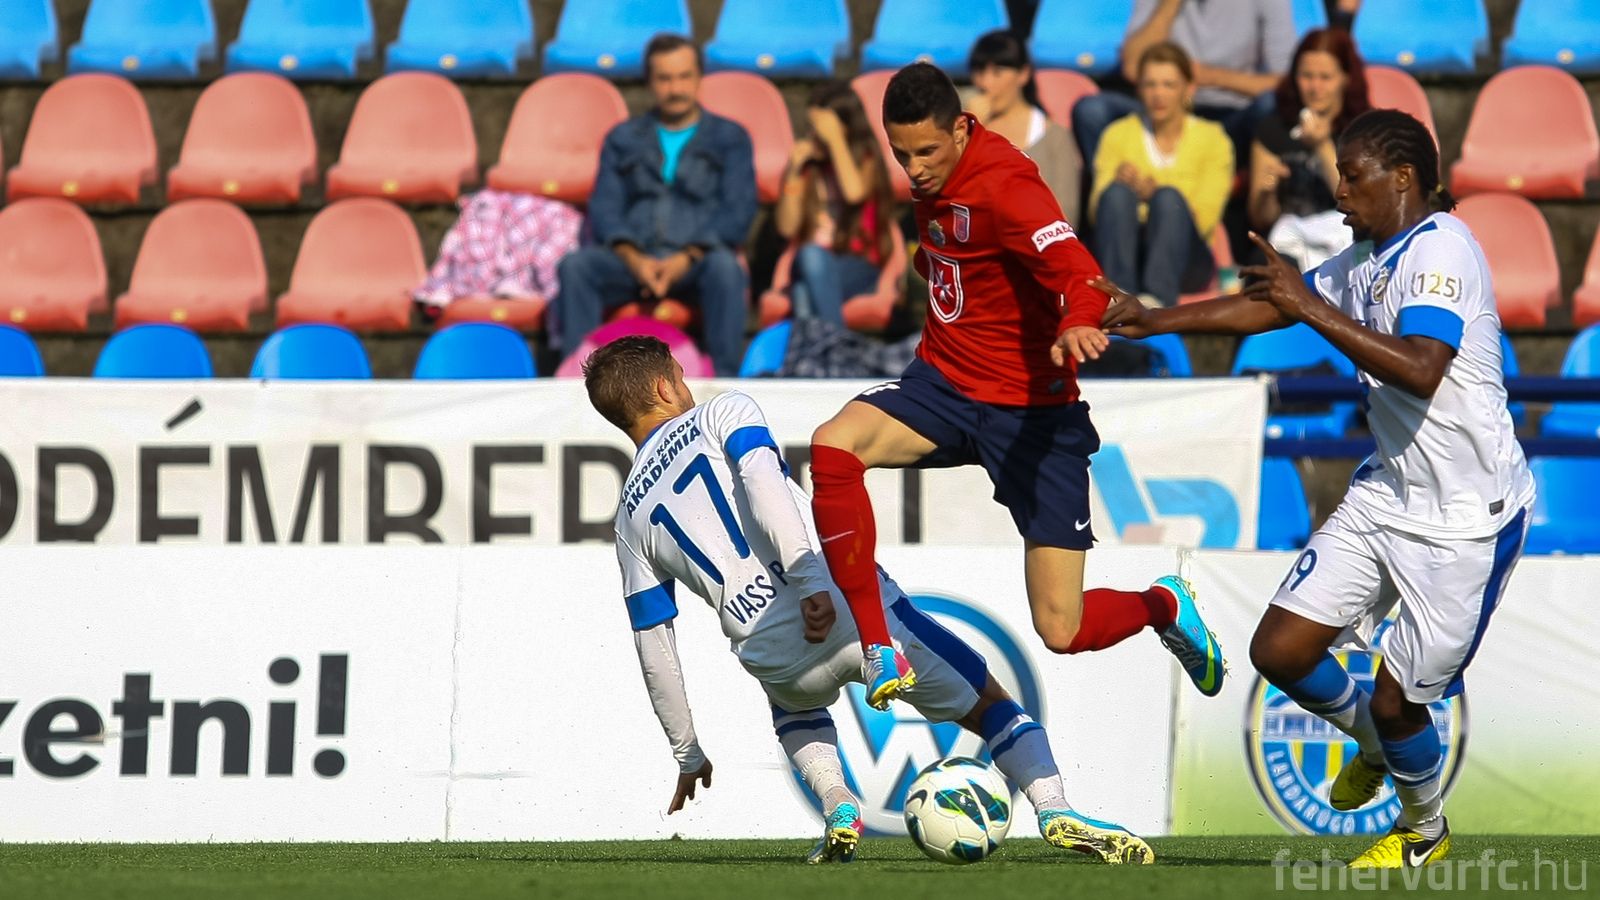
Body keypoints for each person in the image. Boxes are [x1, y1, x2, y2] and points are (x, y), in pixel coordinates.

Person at [1102, 109, 1534, 869]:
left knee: (1400, 702)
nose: (1338, 192)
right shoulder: (1369, 253)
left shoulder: (1442, 250)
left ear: (1403, 178)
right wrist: (1154, 319)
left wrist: (1308, 305)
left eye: (1352, 175)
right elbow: (1275, 304)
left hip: (1468, 517)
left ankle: (1424, 830)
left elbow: (1421, 367)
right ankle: (1373, 744)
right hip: (1389, 493)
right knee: (1280, 649)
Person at [584, 335, 1156, 865]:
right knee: (992, 704)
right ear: (663, 388)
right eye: (681, 377)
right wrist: (810, 581)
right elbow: (762, 485)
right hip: (842, 607)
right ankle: (1053, 806)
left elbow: (653, 644)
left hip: (769, 650)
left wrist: (687, 751)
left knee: (795, 710)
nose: (688, 386)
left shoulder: (629, 517)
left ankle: (839, 804)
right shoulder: (721, 412)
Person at [804, 62, 1226, 713]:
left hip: (1033, 414)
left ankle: (1162, 605)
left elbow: (1078, 271)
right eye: (901, 153)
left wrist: (1078, 320)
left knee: (1062, 629)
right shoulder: (933, 179)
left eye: (926, 151)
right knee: (834, 445)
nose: (914, 168)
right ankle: (878, 644)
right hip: (945, 386)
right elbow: (953, 256)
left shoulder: (1007, 186)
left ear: (962, 129)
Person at [555, 34, 757, 376]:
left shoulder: (730, 138)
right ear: (649, 81)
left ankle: (724, 378)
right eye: (664, 78)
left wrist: (687, 257)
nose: (675, 88)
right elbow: (605, 206)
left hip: (698, 260)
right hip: (634, 259)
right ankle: (580, 378)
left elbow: (737, 212)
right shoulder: (622, 138)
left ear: (699, 77)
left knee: (726, 269)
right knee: (576, 267)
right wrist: (634, 259)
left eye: (684, 77)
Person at [1091, 43, 1233, 308]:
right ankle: (1119, 297)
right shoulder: (1117, 134)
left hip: (1187, 258)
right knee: (1116, 193)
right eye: (1150, 84)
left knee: (1167, 198)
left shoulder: (1213, 139)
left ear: (1188, 88)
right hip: (1129, 248)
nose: (1158, 94)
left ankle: (1156, 301)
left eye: (1169, 85)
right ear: (1139, 88)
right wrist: (1118, 182)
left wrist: (1153, 195)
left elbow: (1205, 218)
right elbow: (1095, 210)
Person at [1073, 0, 1296, 165]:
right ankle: (1115, 195)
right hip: (1161, 113)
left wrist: (1211, 76)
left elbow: (1287, 82)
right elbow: (1132, 68)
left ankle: (1259, 202)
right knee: (1092, 110)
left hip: (1231, 116)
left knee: (1270, 105)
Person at [772, 81, 899, 327]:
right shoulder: (808, 168)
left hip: (858, 264)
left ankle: (820, 350)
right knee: (811, 256)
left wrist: (835, 140)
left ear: (846, 129)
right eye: (810, 128)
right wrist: (793, 173)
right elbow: (787, 228)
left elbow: (854, 194)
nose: (813, 136)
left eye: (819, 130)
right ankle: (839, 347)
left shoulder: (866, 160)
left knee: (802, 293)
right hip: (810, 261)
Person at [1249, 28, 1371, 272]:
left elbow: (1361, 204)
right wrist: (1267, 191)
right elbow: (1261, 219)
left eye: (1325, 78)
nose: (1315, 87)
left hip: (1347, 246)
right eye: (1307, 76)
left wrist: (1322, 147)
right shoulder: (1274, 128)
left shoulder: (1365, 130)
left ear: (1346, 78)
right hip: (1287, 245)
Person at [967, 30, 1081, 224]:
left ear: (1024, 74)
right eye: (979, 72)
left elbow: (1066, 214)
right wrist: (971, 134)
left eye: (997, 72)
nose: (985, 83)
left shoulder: (1055, 136)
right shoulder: (966, 130)